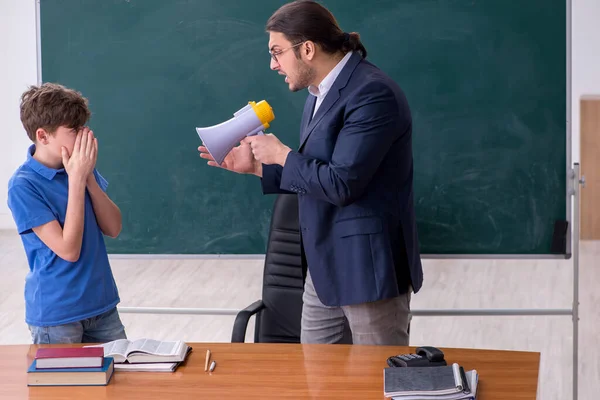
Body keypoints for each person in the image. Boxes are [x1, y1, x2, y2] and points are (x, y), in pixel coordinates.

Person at [199, 0, 423, 345]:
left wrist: (283, 155)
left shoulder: (372, 93)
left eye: (277, 53)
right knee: (315, 380)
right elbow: (318, 175)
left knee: (377, 381)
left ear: (306, 49)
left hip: (368, 270)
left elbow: (342, 183)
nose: (273, 64)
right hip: (323, 266)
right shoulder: (318, 94)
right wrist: (259, 167)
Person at [7, 83, 127, 344]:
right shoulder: (23, 185)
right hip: (58, 316)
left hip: (102, 306)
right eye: (74, 130)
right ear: (43, 136)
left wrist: (88, 180)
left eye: (83, 127)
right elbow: (68, 249)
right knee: (65, 386)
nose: (85, 136)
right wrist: (76, 180)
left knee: (121, 381)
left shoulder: (79, 168)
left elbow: (114, 227)